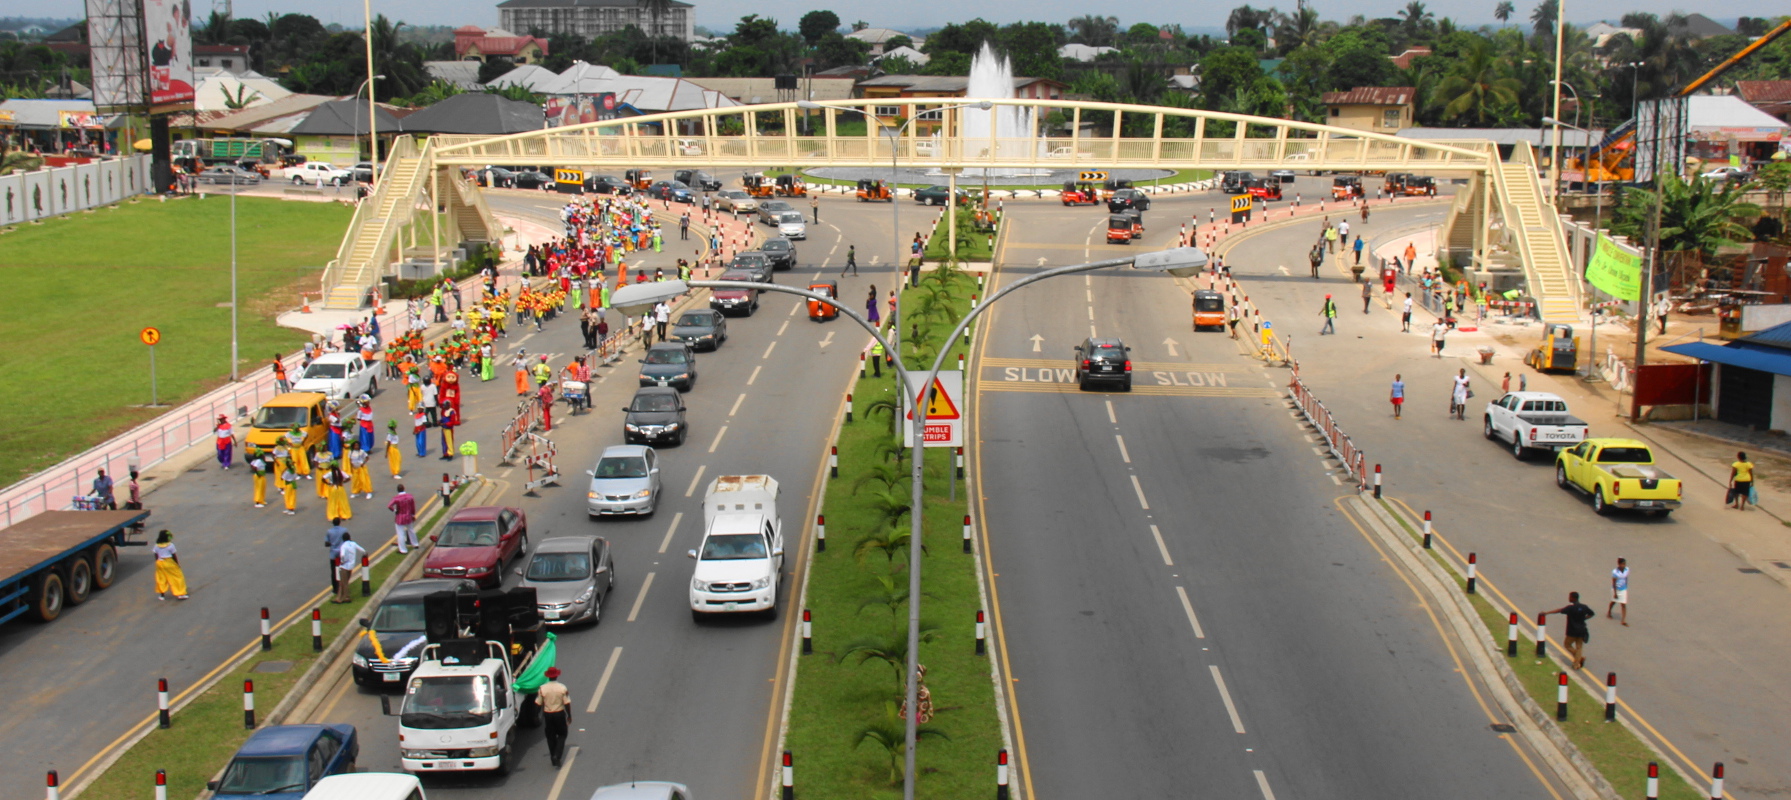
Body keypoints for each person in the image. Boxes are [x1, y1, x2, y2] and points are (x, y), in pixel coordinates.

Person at [1546, 591, 1596, 669]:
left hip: (1572, 631)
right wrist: (1584, 619)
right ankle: (1577, 662)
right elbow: (1592, 613)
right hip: (1582, 630)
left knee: (1567, 645)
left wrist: (1547, 613)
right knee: (1579, 647)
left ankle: (1578, 659)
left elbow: (1559, 610)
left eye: (1570, 597)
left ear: (1573, 598)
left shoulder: (1570, 608)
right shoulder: (1584, 607)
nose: (1569, 598)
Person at [538, 667, 573, 767]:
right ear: (557, 676)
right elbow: (567, 703)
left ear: (548, 677)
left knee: (550, 736)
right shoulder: (562, 688)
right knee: (562, 734)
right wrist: (569, 715)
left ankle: (553, 756)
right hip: (559, 714)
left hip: (548, 715)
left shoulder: (542, 688)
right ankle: (557, 755)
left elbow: (538, 703)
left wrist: (537, 715)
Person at [152, 530, 190, 601]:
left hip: (160, 563)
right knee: (177, 577)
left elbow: (156, 555)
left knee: (162, 578)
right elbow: (174, 555)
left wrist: (158, 563)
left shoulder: (156, 545)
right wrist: (177, 564)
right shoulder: (170, 545)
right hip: (169, 562)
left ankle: (162, 595)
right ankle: (180, 593)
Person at [333, 533, 365, 603]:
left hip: (344, 566)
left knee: (344, 583)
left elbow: (342, 555)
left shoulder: (343, 546)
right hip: (351, 566)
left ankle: (346, 597)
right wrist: (364, 554)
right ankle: (339, 598)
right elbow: (362, 550)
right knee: (343, 582)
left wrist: (342, 561)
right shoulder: (353, 544)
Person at [388, 485, 418, 554]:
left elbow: (389, 506)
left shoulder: (396, 498)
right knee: (411, 530)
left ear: (397, 490)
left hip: (400, 518)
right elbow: (413, 507)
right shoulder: (410, 497)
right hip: (408, 516)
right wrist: (413, 515)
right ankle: (415, 544)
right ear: (404, 489)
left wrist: (395, 510)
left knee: (400, 534)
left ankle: (403, 550)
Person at [325, 518, 348, 590]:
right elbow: (347, 540)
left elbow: (326, 543)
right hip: (342, 553)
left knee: (333, 571)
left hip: (333, 553)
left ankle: (335, 588)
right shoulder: (344, 530)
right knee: (344, 570)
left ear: (333, 523)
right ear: (340, 522)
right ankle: (344, 586)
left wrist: (332, 543)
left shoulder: (329, 532)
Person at [1607, 558, 1630, 626]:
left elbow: (1626, 577)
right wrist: (1615, 593)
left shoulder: (1627, 570)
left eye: (1624, 564)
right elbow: (1614, 582)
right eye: (1622, 564)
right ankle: (1609, 612)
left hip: (1623, 589)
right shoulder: (1615, 572)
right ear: (1619, 564)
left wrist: (1626, 585)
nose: (1624, 565)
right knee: (1613, 602)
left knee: (1623, 604)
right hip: (1616, 589)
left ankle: (1623, 620)